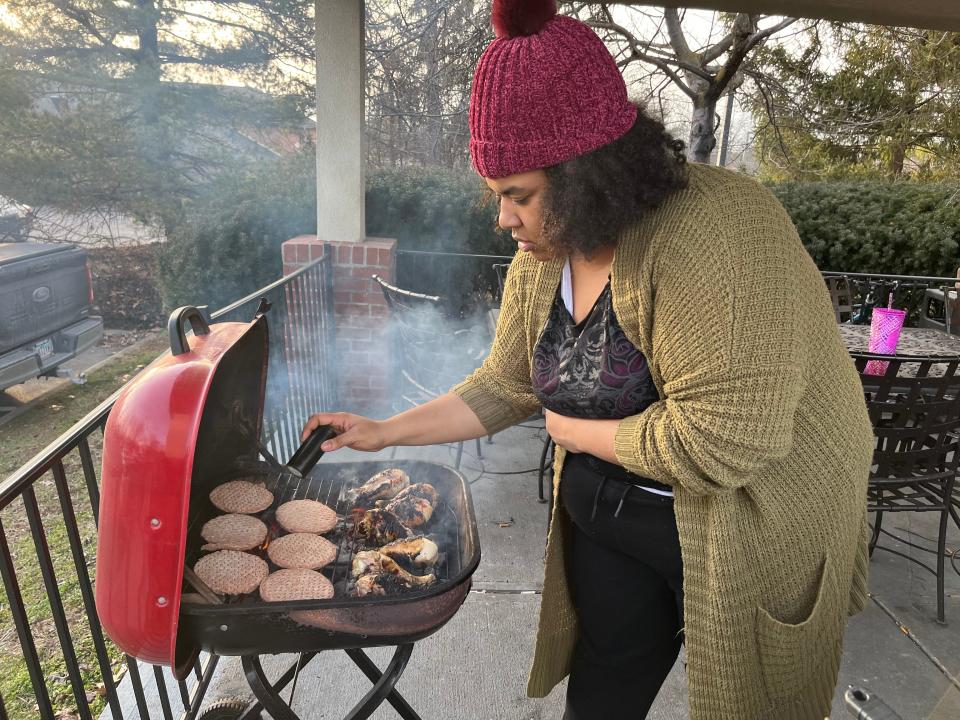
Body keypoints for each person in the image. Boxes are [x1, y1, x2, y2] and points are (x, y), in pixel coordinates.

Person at [302, 1, 875, 717]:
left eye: (520, 195)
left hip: (741, 519)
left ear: (589, 176)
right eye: (496, 196)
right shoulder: (548, 254)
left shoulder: (717, 230)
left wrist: (569, 432)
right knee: (602, 690)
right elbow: (504, 384)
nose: (503, 219)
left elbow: (726, 443)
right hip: (610, 511)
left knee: (752, 703)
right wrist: (383, 430)